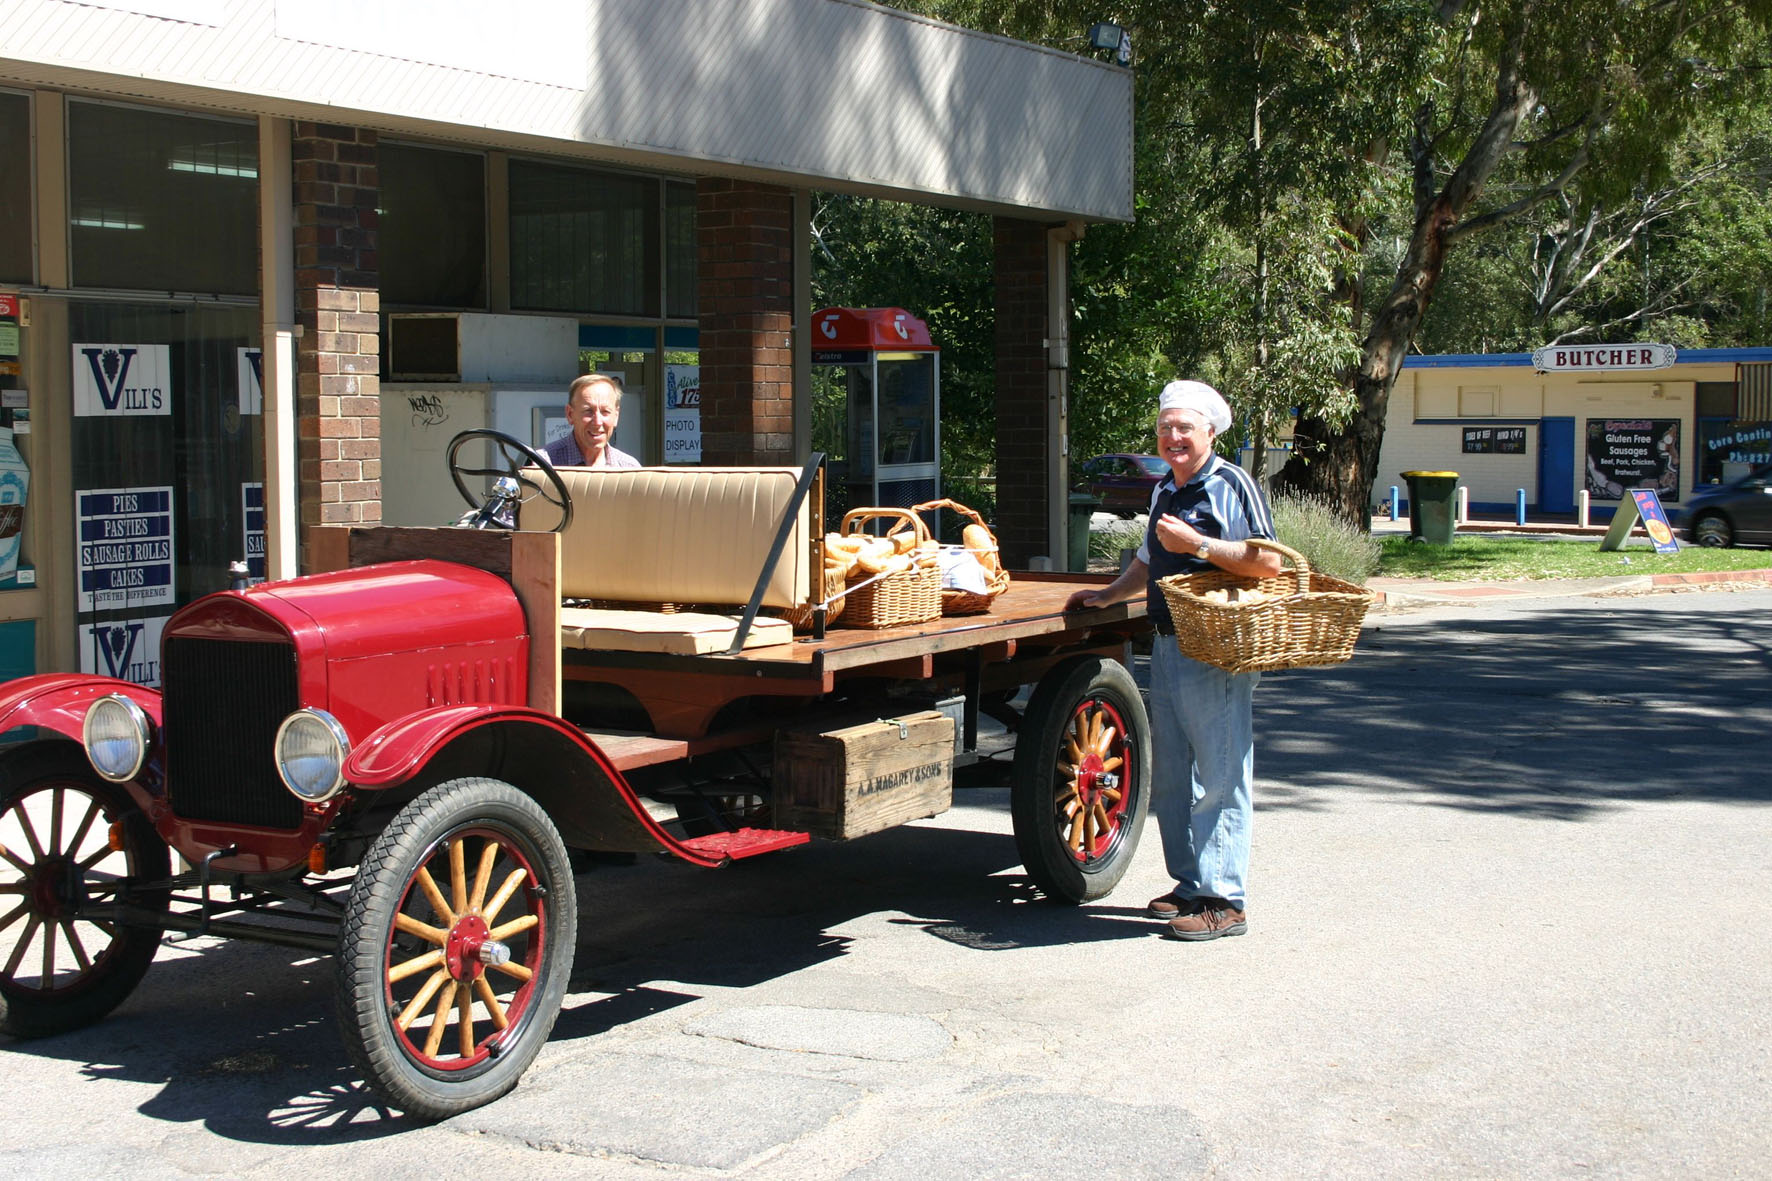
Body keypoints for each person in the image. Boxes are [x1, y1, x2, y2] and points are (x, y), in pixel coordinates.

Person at [1064, 379, 1281, 941]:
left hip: (1217, 647)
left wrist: (1201, 547)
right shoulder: (1164, 488)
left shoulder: (1232, 483)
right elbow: (1145, 558)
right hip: (1166, 641)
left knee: (1221, 775)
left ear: (1210, 432)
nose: (1173, 436)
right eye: (1165, 428)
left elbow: (1267, 562)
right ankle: (1189, 885)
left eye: (1185, 427)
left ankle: (1224, 900)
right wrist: (1109, 595)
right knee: (1171, 780)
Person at [543, 373, 642, 468]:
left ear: (616, 416)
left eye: (605, 412)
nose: (597, 422)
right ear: (570, 414)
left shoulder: (628, 467)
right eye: (588, 411)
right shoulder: (544, 464)